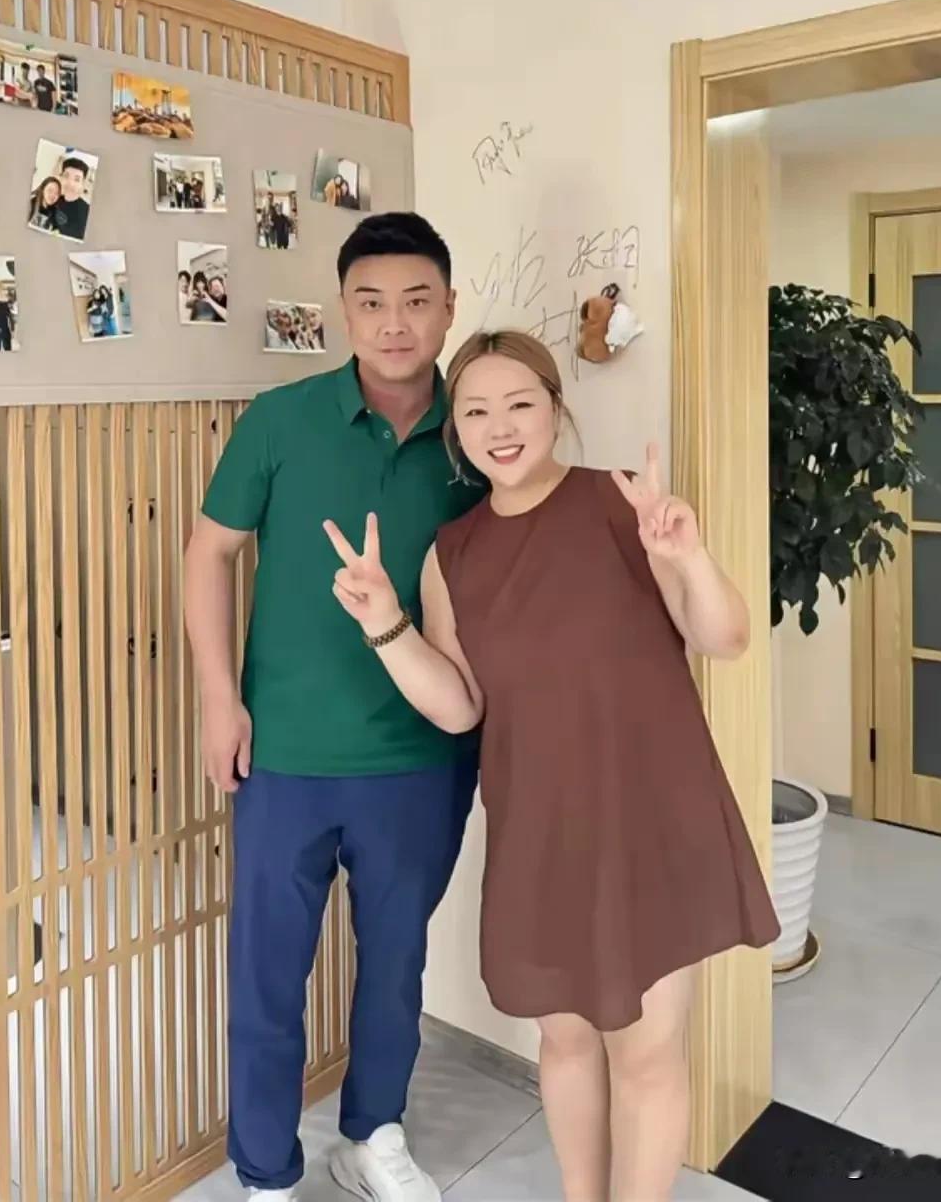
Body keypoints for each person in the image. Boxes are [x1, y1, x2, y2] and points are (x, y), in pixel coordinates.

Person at [324, 330, 780, 1202]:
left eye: (520, 404)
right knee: (565, 1042)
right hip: (539, 825)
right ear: (455, 431)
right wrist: (385, 624)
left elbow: (724, 639)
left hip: (653, 815)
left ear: (555, 408)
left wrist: (686, 555)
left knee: (646, 1052)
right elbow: (461, 704)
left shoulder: (621, 503)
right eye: (476, 411)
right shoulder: (451, 553)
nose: (500, 428)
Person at [184, 213, 485, 1202]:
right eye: (372, 302)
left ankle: (373, 1135)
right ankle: (266, 1174)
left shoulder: (477, 433)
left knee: (396, 965)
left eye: (417, 301)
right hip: (285, 752)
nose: (395, 323)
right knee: (268, 973)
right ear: (343, 312)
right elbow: (208, 555)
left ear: (449, 308)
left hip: (423, 756)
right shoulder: (281, 419)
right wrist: (219, 700)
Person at [49, 156, 91, 240]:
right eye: (66, 176)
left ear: (82, 183)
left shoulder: (87, 212)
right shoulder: (53, 199)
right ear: (61, 177)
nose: (70, 183)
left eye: (77, 179)